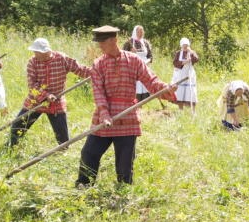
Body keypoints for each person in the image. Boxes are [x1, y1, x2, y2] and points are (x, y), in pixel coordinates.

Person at [76, 25, 178, 186]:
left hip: (128, 115)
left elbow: (151, 80)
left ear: (114, 40)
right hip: (104, 116)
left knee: (124, 162)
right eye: (99, 43)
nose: (100, 46)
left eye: (103, 43)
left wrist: (165, 88)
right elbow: (98, 92)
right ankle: (84, 185)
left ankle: (123, 192)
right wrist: (104, 113)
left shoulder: (134, 60)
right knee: (89, 153)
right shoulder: (98, 64)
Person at [8, 37, 93, 148]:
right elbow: (32, 85)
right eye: (35, 52)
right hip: (36, 100)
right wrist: (46, 95)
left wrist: (95, 72)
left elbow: (80, 69)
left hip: (56, 101)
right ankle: (11, 146)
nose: (35, 54)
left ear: (47, 51)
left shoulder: (61, 58)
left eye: (38, 52)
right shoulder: (32, 62)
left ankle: (63, 150)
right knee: (18, 125)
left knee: (62, 133)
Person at [122, 25, 154, 101]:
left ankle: (143, 103)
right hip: (134, 67)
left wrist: (146, 62)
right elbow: (123, 55)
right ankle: (134, 103)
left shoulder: (145, 43)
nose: (140, 33)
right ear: (135, 32)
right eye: (138, 31)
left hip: (145, 66)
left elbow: (150, 56)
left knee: (144, 83)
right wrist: (131, 52)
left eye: (142, 31)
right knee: (136, 85)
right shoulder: (129, 43)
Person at [171, 37, 199, 111]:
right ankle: (180, 109)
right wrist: (184, 62)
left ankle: (193, 111)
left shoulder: (191, 52)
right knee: (180, 91)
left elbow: (196, 59)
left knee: (191, 91)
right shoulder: (178, 53)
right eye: (184, 45)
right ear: (181, 45)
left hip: (189, 74)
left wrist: (191, 53)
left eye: (186, 45)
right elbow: (175, 63)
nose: (185, 47)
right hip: (181, 74)